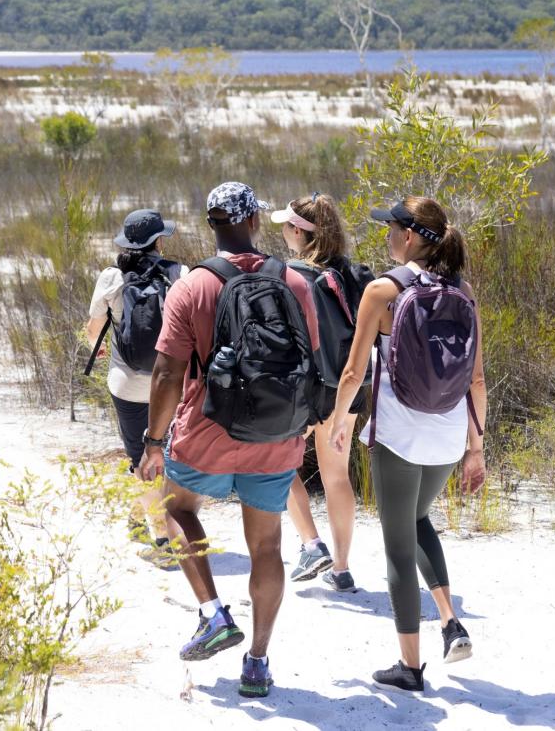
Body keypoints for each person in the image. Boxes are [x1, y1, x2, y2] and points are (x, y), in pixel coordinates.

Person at [139, 182, 320, 699]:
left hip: (206, 429)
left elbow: (167, 373)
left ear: (211, 225)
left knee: (176, 508)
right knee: (267, 545)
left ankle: (212, 612)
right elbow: (309, 359)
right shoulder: (295, 282)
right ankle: (258, 662)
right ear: (256, 222)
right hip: (275, 434)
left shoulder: (192, 286)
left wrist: (154, 442)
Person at [329, 196, 487, 694]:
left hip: (398, 434)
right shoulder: (462, 290)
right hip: (446, 433)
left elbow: (355, 371)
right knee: (418, 520)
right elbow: (477, 379)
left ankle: (410, 667)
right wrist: (476, 448)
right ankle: (449, 620)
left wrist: (338, 421)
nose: (387, 236)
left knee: (397, 546)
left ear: (413, 236)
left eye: (392, 228)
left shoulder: (383, 291)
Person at [271, 193, 373, 591]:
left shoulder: (289, 274)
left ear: (299, 231)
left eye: (286, 225)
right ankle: (342, 568)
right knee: (336, 475)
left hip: (307, 388)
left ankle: (312, 544)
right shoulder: (357, 274)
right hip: (348, 386)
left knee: (280, 464)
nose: (283, 232)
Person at [87, 207, 185, 556]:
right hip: (171, 383)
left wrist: (99, 348)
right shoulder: (179, 273)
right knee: (162, 457)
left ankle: (159, 538)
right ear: (159, 241)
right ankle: (147, 523)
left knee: (140, 459)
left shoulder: (112, 277)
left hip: (126, 384)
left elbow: (93, 331)